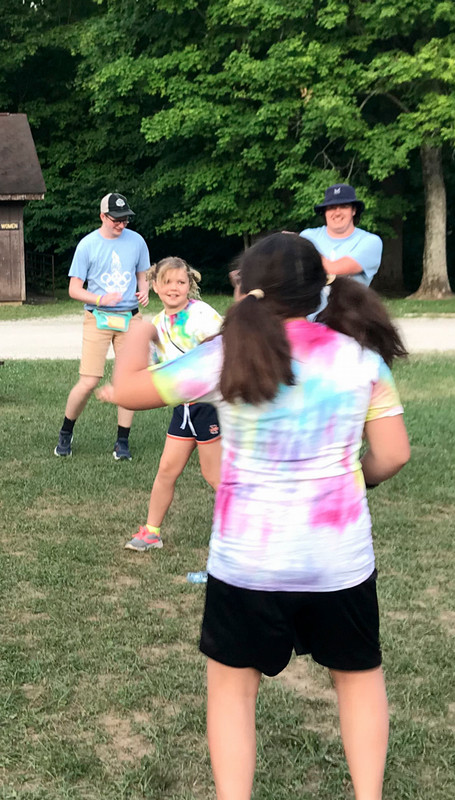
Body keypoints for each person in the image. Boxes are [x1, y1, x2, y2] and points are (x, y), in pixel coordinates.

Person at [105, 233, 410, 800]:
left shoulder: (228, 355)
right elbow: (393, 453)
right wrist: (350, 481)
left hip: (249, 563)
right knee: (359, 679)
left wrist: (139, 331)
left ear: (254, 289)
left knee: (232, 692)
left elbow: (121, 390)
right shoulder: (361, 358)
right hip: (338, 562)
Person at [117, 257, 223, 552]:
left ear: (190, 284)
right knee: (166, 470)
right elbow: (152, 367)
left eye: (180, 282)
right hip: (183, 408)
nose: (174, 288)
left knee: (214, 476)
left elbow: (225, 346)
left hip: (209, 406)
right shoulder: (157, 324)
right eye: (167, 282)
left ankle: (240, 533)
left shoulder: (201, 314)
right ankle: (152, 532)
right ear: (154, 285)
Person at [54, 192, 149, 460]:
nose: (121, 225)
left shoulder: (137, 241)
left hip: (130, 317)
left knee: (129, 380)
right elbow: (74, 289)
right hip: (98, 316)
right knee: (89, 381)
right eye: (116, 220)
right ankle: (66, 432)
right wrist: (100, 299)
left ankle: (122, 442)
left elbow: (142, 276)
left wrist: (144, 291)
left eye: (125, 220)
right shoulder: (87, 245)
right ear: (102, 217)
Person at [300, 183, 383, 286]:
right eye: (331, 207)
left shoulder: (370, 241)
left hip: (349, 302)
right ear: (325, 212)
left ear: (353, 211)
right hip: (309, 302)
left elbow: (333, 269)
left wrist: (302, 246)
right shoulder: (307, 236)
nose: (337, 212)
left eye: (344, 206)